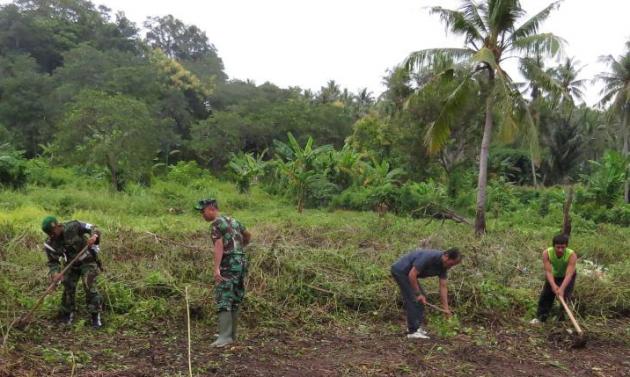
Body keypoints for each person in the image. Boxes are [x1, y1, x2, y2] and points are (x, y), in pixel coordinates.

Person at [195, 198, 252, 348]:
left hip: (228, 264)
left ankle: (225, 337)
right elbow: (248, 235)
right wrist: (239, 249)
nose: (202, 215)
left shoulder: (215, 224)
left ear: (212, 209)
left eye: (203, 211)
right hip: (241, 263)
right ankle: (230, 334)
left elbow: (219, 246)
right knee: (235, 297)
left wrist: (216, 268)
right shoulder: (233, 221)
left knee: (224, 297)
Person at [41, 216, 103, 328]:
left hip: (87, 260)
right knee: (68, 285)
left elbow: (93, 228)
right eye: (49, 233)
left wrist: (94, 236)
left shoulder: (73, 226)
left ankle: (95, 316)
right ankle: (68, 314)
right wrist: (55, 273)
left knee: (89, 285)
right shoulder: (50, 243)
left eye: (53, 231)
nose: (52, 235)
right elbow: (53, 262)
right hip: (71, 264)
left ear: (58, 226)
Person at [390, 248, 462, 339]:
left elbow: (443, 287)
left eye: (453, 265)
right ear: (446, 256)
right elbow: (412, 274)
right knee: (414, 298)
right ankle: (413, 331)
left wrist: (446, 309)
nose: (450, 267)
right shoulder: (429, 257)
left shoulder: (443, 267)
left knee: (422, 297)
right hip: (401, 271)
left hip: (409, 274)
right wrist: (417, 294)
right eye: (451, 264)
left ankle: (416, 327)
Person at [530, 234, 577, 324]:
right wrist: (553, 285)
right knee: (546, 295)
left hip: (567, 276)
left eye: (563, 247)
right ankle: (540, 318)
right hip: (553, 275)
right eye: (558, 247)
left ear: (566, 246)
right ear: (553, 246)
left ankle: (561, 321)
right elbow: (548, 271)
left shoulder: (572, 255)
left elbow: (569, 274)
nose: (560, 250)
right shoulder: (546, 253)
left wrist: (562, 289)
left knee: (565, 297)